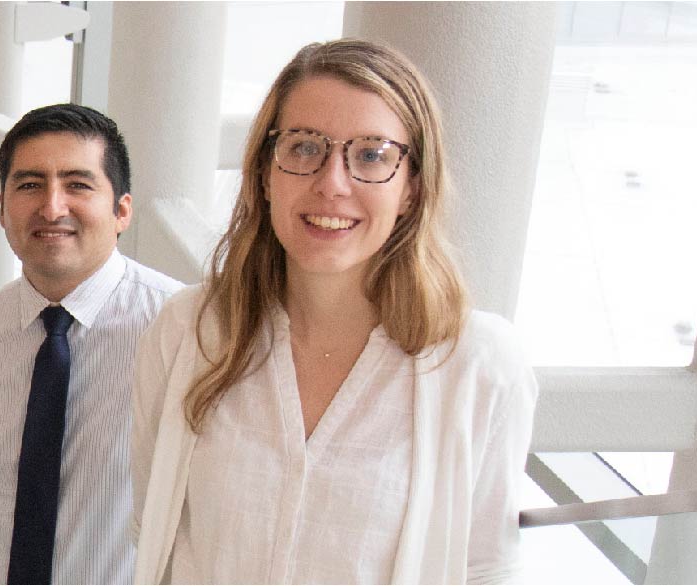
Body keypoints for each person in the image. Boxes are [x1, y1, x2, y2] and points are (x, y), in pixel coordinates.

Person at [125, 39, 538, 584]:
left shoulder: (481, 366)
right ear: (265, 173)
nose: (332, 184)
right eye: (303, 148)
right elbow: (155, 534)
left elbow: (487, 570)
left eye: (371, 154)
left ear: (412, 187)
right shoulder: (187, 332)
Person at [0, 103, 187, 584]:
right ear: (1, 208)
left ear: (122, 209)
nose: (52, 206)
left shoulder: (181, 330)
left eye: (78, 184)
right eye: (29, 185)